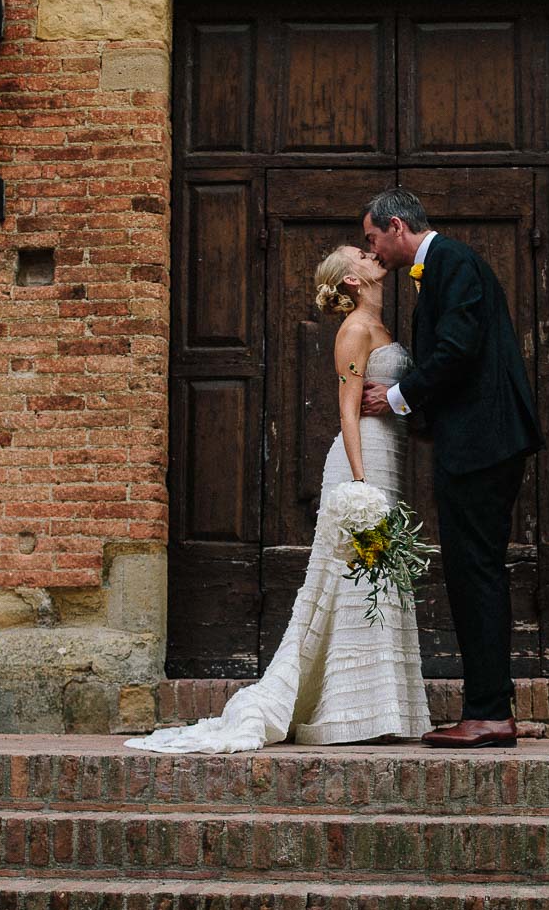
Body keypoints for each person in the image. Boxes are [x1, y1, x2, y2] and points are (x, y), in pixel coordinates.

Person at [126, 245, 430, 754]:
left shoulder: (383, 326)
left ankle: (383, 705)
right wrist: (360, 484)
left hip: (390, 459)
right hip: (365, 464)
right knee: (359, 579)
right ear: (353, 280)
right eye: (360, 253)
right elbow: (347, 410)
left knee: (382, 578)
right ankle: (348, 712)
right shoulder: (354, 329)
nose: (371, 252)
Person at [361, 189, 543, 749]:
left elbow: (458, 350)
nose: (374, 252)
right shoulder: (443, 265)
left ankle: (488, 712)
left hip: (483, 445)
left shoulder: (453, 262)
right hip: (477, 443)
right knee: (475, 571)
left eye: (373, 239)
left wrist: (395, 398)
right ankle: (491, 705)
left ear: (396, 226)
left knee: (475, 572)